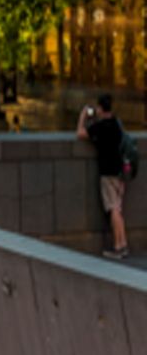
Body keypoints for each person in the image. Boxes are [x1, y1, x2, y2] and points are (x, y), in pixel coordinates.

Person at [80, 95, 132, 260]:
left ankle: (118, 246)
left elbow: (80, 133)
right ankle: (123, 244)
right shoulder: (117, 124)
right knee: (118, 208)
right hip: (118, 172)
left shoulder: (100, 127)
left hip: (107, 173)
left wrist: (83, 116)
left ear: (100, 109)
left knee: (113, 209)